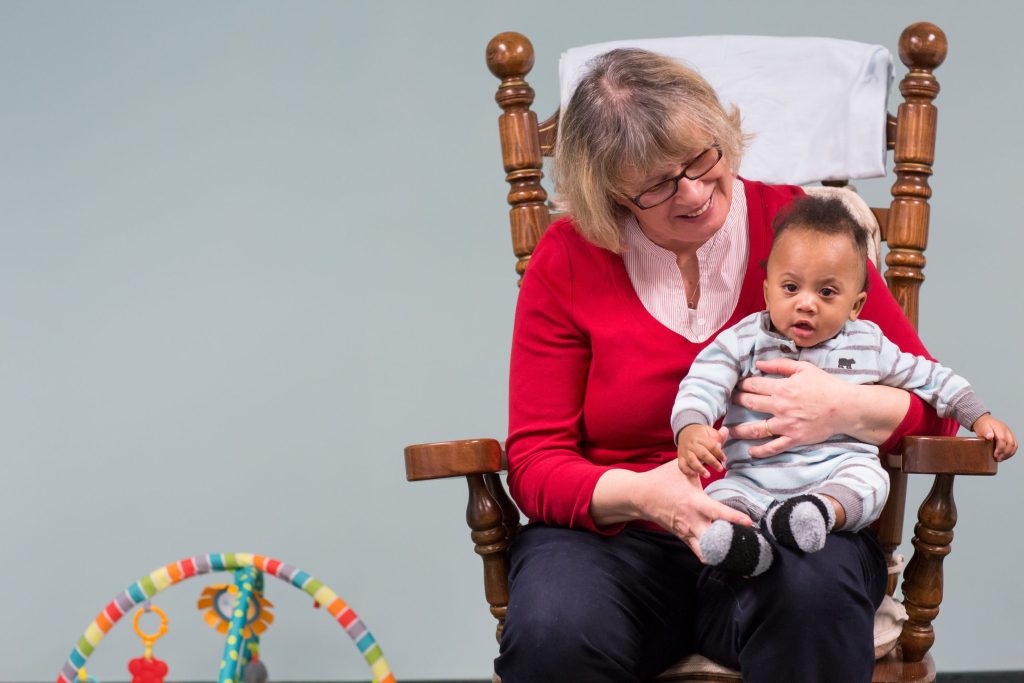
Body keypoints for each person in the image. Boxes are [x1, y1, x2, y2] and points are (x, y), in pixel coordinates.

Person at [495, 48, 961, 683]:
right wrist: (646, 495)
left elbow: (938, 412)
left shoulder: (800, 232)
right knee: (554, 631)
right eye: (657, 184)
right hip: (617, 538)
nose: (692, 192)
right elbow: (536, 461)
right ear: (609, 192)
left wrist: (846, 407)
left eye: (701, 158)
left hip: (782, 512)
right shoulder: (568, 257)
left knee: (814, 596)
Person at [672, 195, 1017, 578]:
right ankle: (748, 549)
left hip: (835, 473)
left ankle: (818, 513)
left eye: (827, 293)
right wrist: (691, 426)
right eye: (791, 288)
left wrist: (979, 416)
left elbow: (930, 377)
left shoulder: (868, 344)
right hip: (753, 479)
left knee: (871, 483)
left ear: (856, 305)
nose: (806, 304)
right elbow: (704, 379)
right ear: (768, 290)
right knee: (717, 497)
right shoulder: (745, 340)